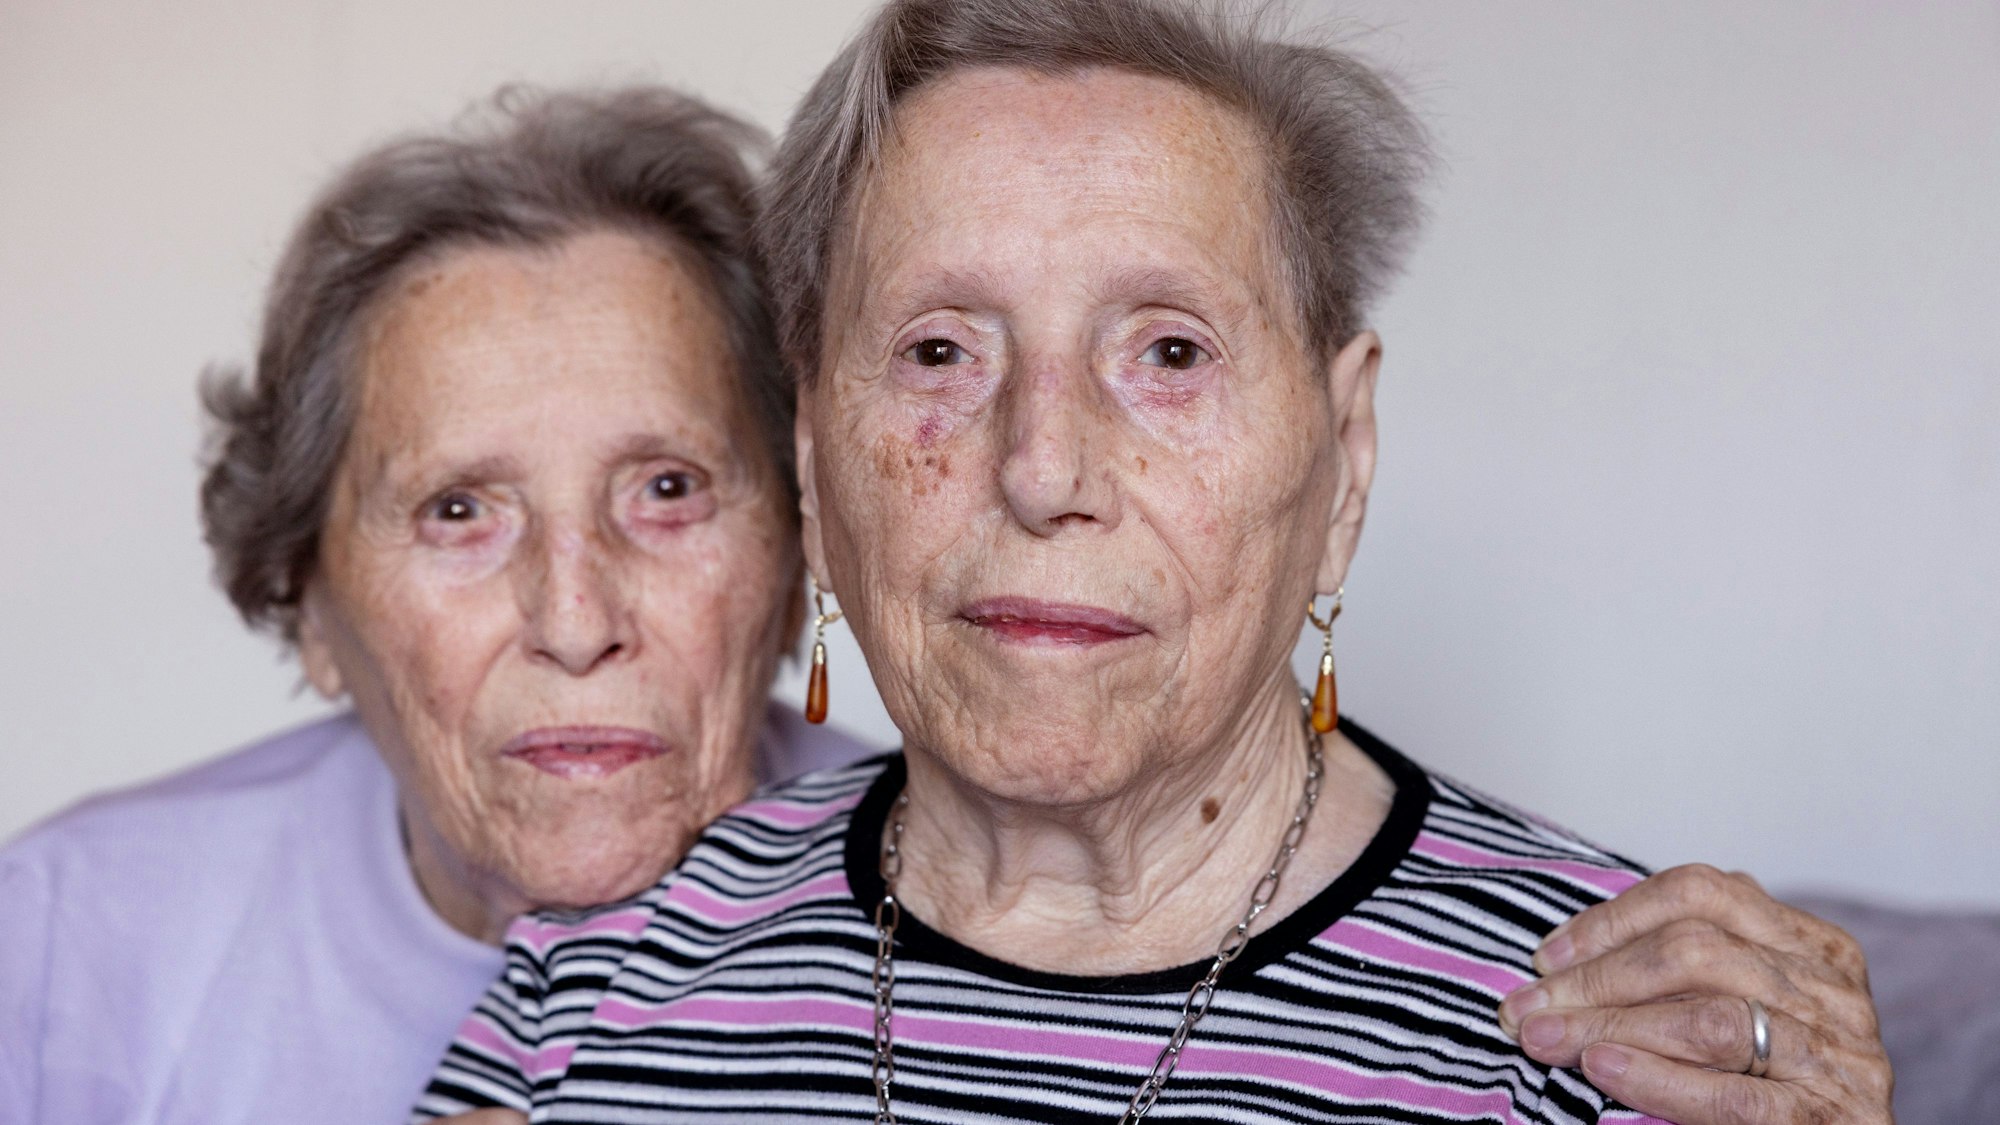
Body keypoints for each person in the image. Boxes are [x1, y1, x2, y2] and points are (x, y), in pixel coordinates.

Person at [418, 2, 1892, 1123]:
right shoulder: (595, 993)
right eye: (939, 349)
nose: (1044, 466)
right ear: (813, 451)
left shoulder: (1619, 1035)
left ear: (1344, 449)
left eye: (1169, 351)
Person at [0, 87, 871, 1125]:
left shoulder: (986, 934)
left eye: (666, 489)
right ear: (310, 603)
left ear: (798, 555)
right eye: (457, 510)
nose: (575, 620)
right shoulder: (65, 941)